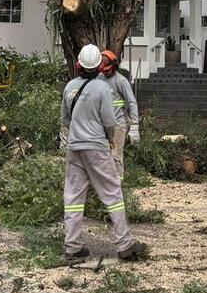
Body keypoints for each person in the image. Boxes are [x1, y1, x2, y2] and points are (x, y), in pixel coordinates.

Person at [61, 44, 146, 262]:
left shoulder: (70, 86)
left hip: (74, 148)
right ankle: (124, 244)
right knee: (112, 193)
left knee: (73, 196)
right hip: (96, 147)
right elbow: (110, 121)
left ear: (78, 65)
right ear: (99, 66)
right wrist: (109, 140)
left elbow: (66, 120)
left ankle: (72, 247)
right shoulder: (101, 88)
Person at [100, 50, 140, 179]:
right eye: (103, 70)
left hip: (119, 125)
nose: (106, 72)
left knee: (116, 156)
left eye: (108, 69)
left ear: (114, 66)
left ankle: (119, 184)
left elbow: (132, 102)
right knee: (103, 155)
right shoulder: (99, 79)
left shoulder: (121, 81)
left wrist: (134, 127)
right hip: (104, 126)